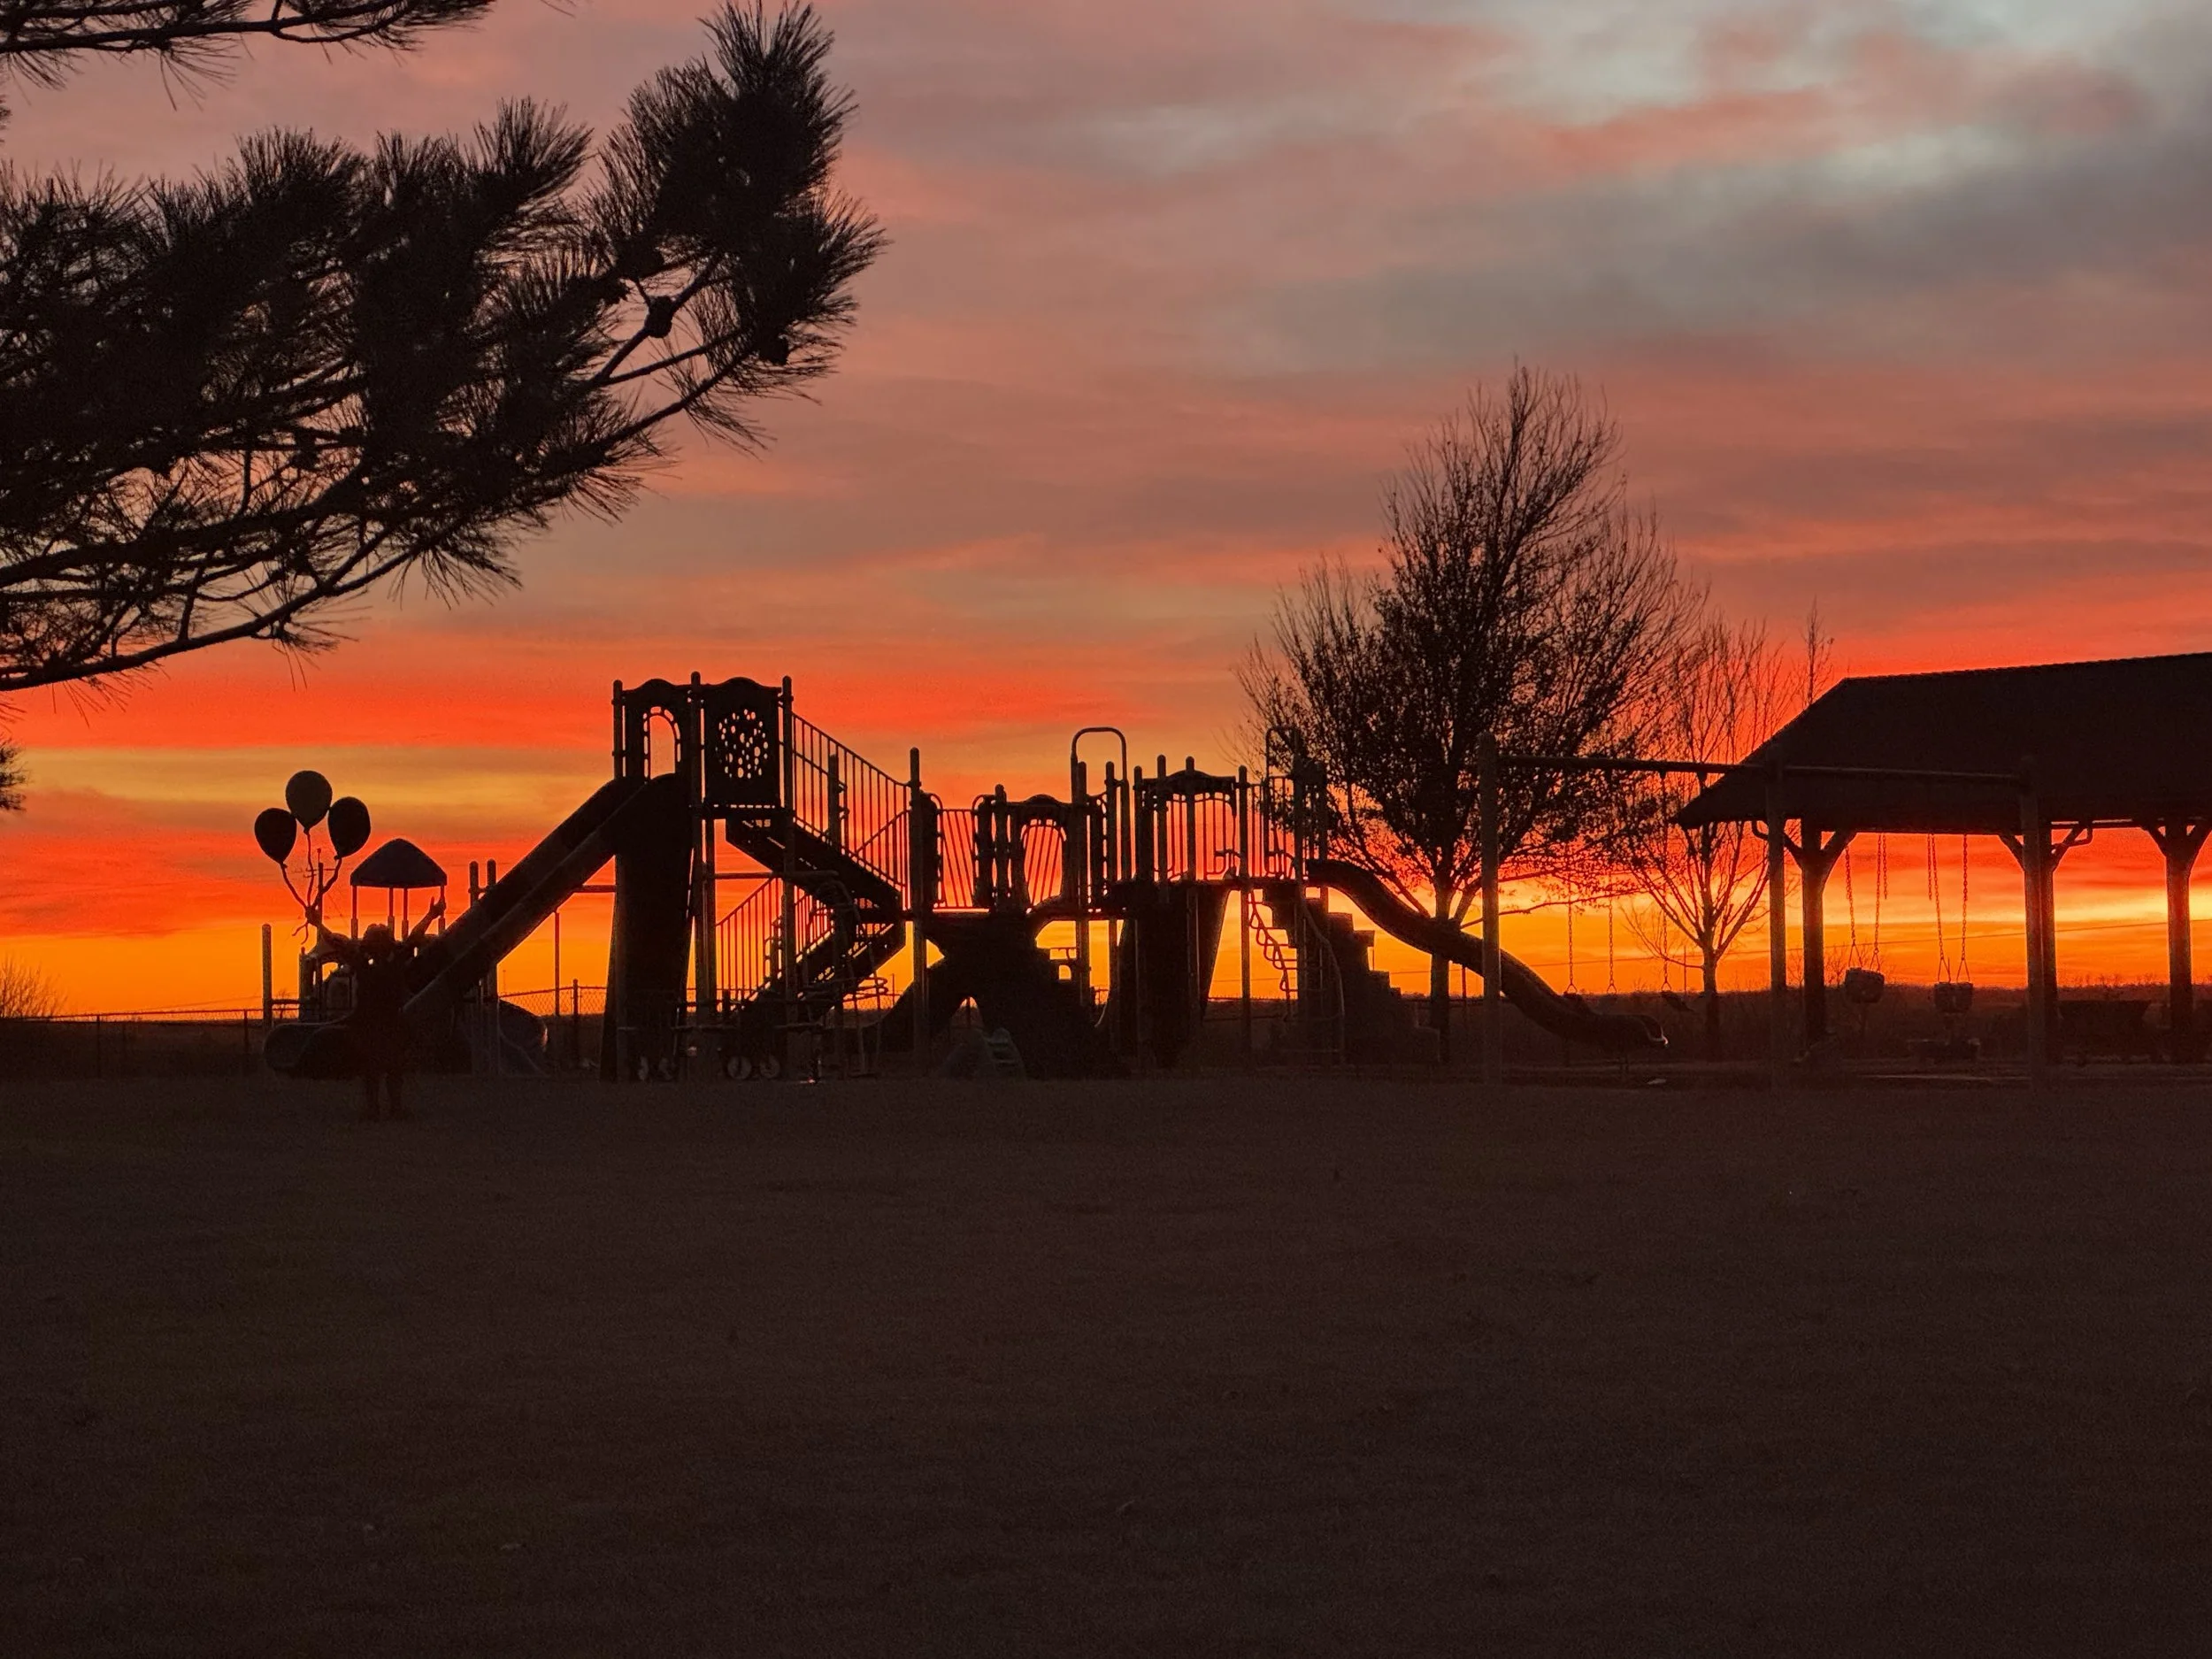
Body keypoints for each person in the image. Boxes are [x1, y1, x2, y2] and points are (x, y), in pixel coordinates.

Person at [313, 899, 443, 1120]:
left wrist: (319, 924)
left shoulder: (364, 964)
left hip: (373, 1023)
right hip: (384, 1022)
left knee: (378, 1069)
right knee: (387, 1069)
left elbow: (338, 944)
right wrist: (431, 916)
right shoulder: (390, 963)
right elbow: (413, 938)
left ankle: (379, 1109)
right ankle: (389, 1108)